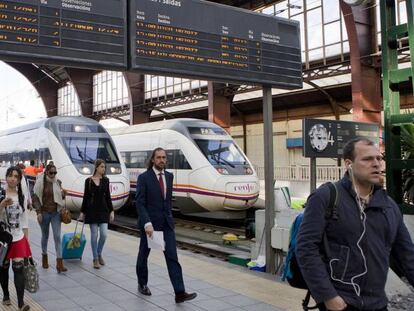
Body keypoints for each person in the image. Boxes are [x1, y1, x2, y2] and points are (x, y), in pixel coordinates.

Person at [296, 138, 414, 311]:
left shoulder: (389, 206)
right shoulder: (326, 197)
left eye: (379, 158)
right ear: (349, 164)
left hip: (378, 303)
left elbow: (406, 254)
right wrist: (328, 297)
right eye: (367, 159)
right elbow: (306, 248)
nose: (376, 164)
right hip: (341, 302)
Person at [135, 147, 197, 303]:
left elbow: (167, 201)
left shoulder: (169, 176)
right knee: (143, 255)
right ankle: (142, 283)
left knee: (172, 257)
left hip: (167, 224)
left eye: (164, 157)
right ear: (153, 159)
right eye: (158, 157)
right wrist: (147, 223)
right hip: (150, 225)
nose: (162, 160)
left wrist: (169, 216)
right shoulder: (144, 178)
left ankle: (179, 293)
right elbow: (140, 203)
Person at [0, 166, 31, 311]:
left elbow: (24, 219)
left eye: (16, 176)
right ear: (6, 177)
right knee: (4, 269)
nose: (13, 178)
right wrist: (1, 205)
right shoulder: (1, 194)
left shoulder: (22, 196)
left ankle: (20, 303)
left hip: (18, 237)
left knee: (18, 269)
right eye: (10, 176)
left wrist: (27, 239)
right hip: (4, 239)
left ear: (19, 180)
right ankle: (6, 295)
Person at [79, 159, 114, 269]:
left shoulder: (106, 180)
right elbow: (86, 197)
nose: (104, 169)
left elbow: (108, 196)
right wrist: (82, 212)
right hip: (92, 211)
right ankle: (95, 258)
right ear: (96, 167)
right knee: (94, 235)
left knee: (104, 234)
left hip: (104, 211)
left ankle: (99, 253)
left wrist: (112, 210)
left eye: (104, 167)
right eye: (102, 167)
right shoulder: (88, 181)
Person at [32, 163, 67, 273]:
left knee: (57, 236)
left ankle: (59, 263)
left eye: (55, 173)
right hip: (44, 213)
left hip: (56, 213)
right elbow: (35, 198)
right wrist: (38, 212)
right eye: (51, 173)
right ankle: (44, 256)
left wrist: (63, 194)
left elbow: (59, 197)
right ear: (46, 172)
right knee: (45, 236)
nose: (53, 175)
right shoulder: (40, 182)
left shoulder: (58, 182)